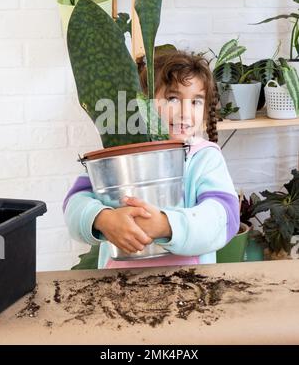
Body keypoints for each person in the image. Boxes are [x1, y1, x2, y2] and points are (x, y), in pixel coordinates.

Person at [63, 50, 239, 269]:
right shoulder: (119, 153)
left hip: (190, 284)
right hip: (117, 284)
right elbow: (74, 204)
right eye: (173, 98)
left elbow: (224, 217)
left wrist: (166, 225)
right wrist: (103, 219)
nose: (185, 112)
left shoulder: (204, 158)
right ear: (144, 103)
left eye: (196, 102)